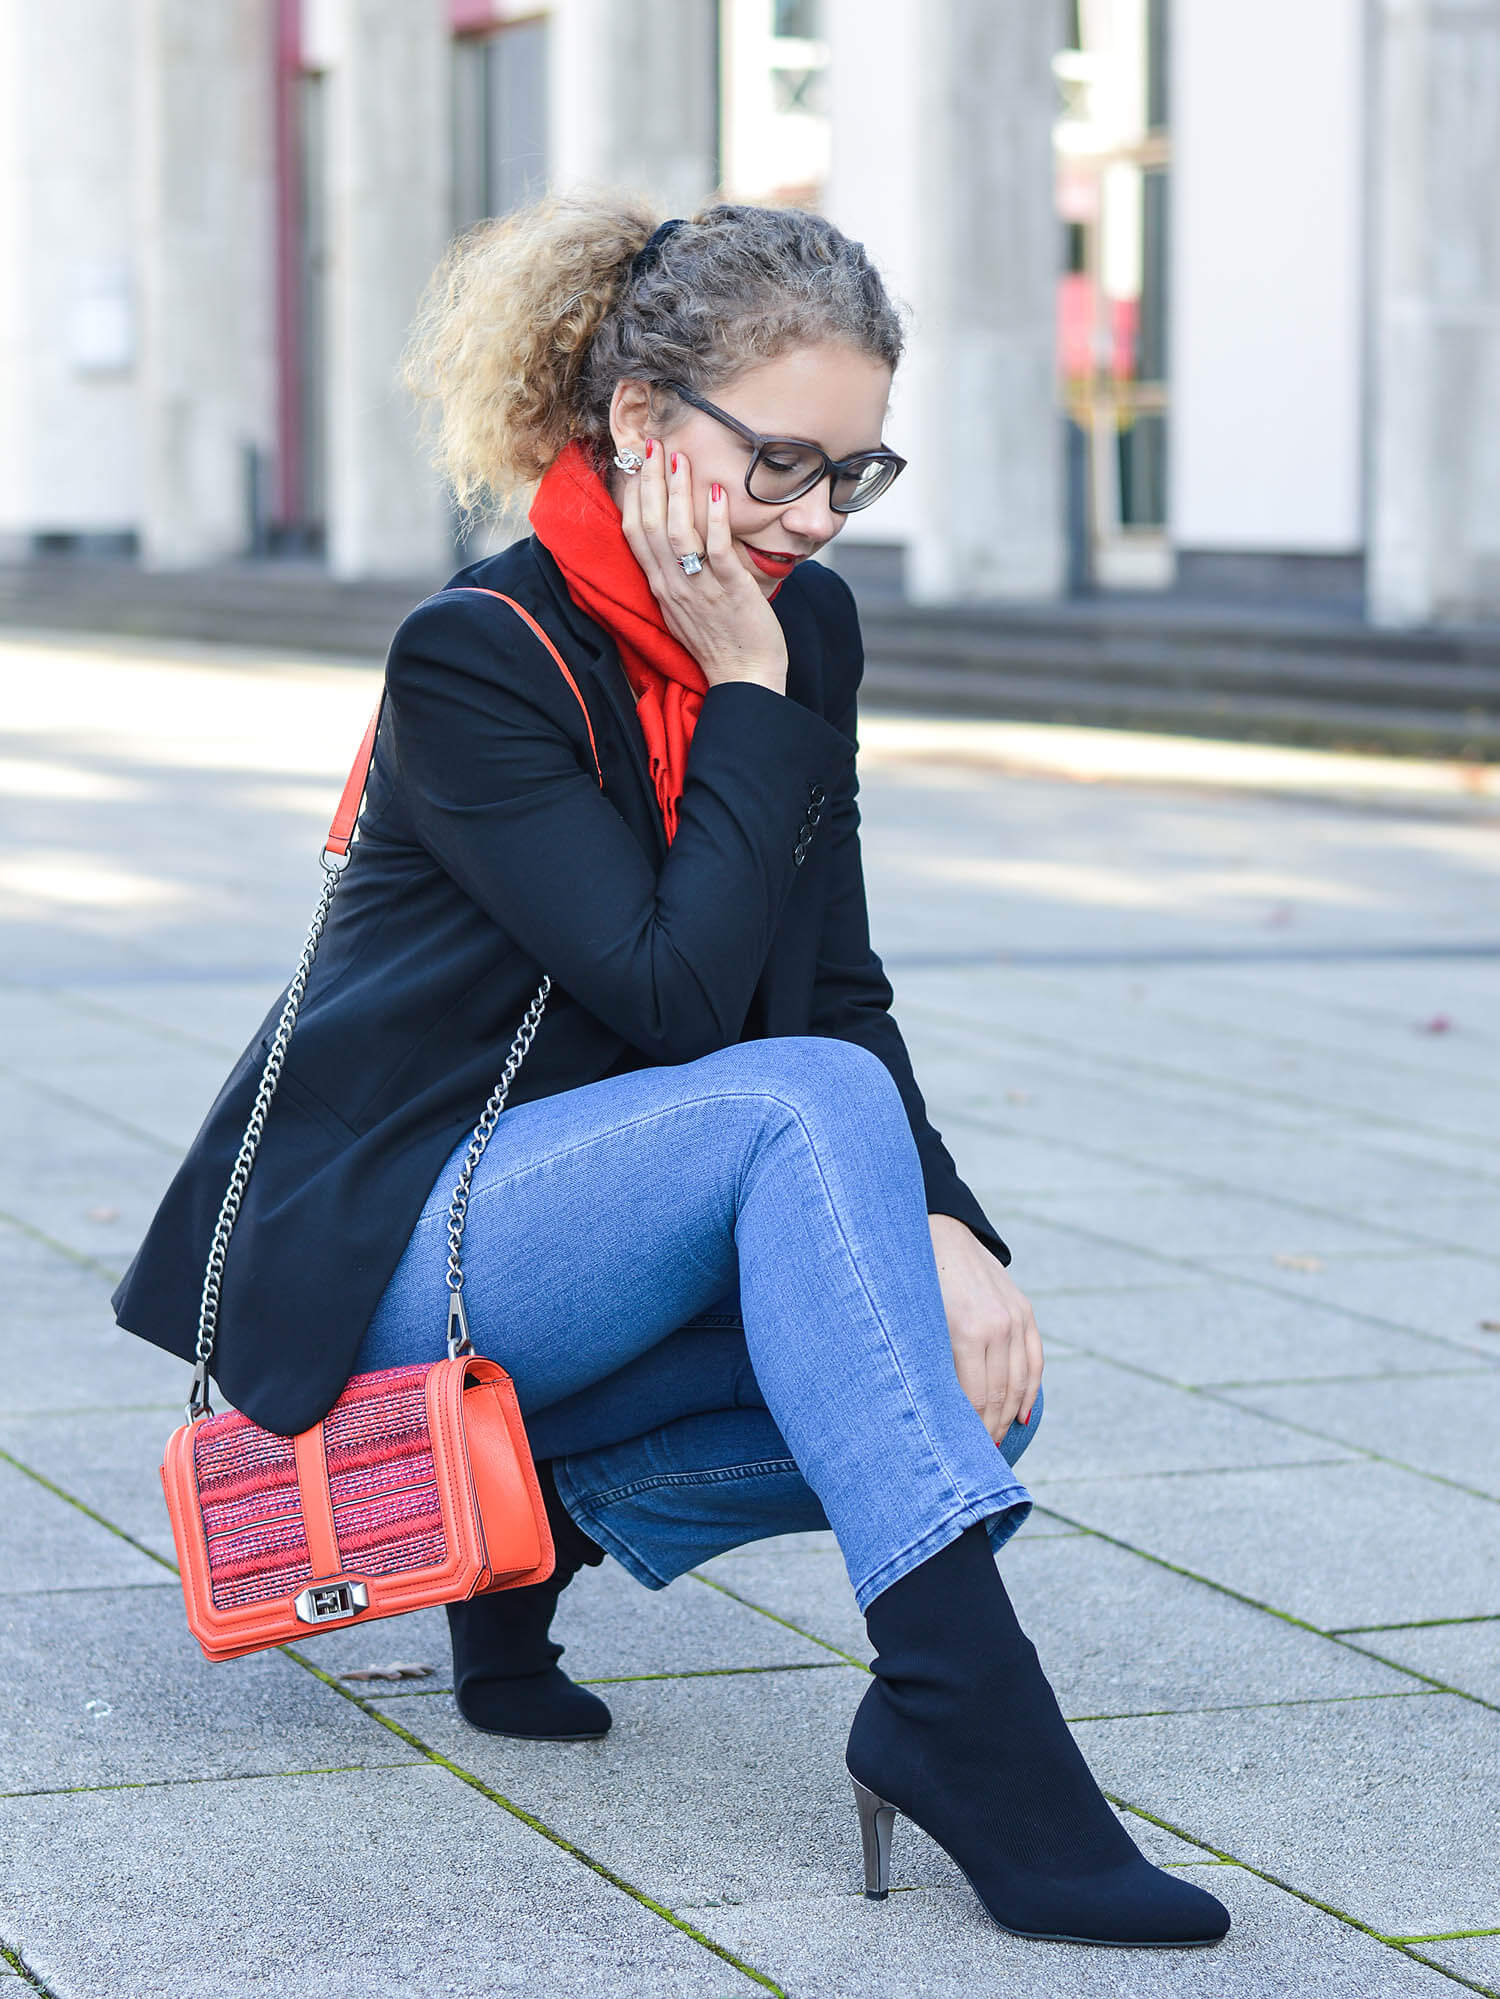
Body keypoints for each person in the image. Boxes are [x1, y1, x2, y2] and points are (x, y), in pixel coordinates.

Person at [111, 191, 1228, 1951]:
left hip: (626, 1207)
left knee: (978, 1386)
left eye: (854, 473)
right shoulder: (483, 653)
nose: (809, 518)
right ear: (641, 424)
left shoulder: (805, 633)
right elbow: (682, 993)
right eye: (780, 460)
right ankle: (969, 1723)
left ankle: (524, 1524)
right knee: (806, 1129)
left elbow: (833, 981)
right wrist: (749, 693)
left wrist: (947, 1224)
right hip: (405, 1245)